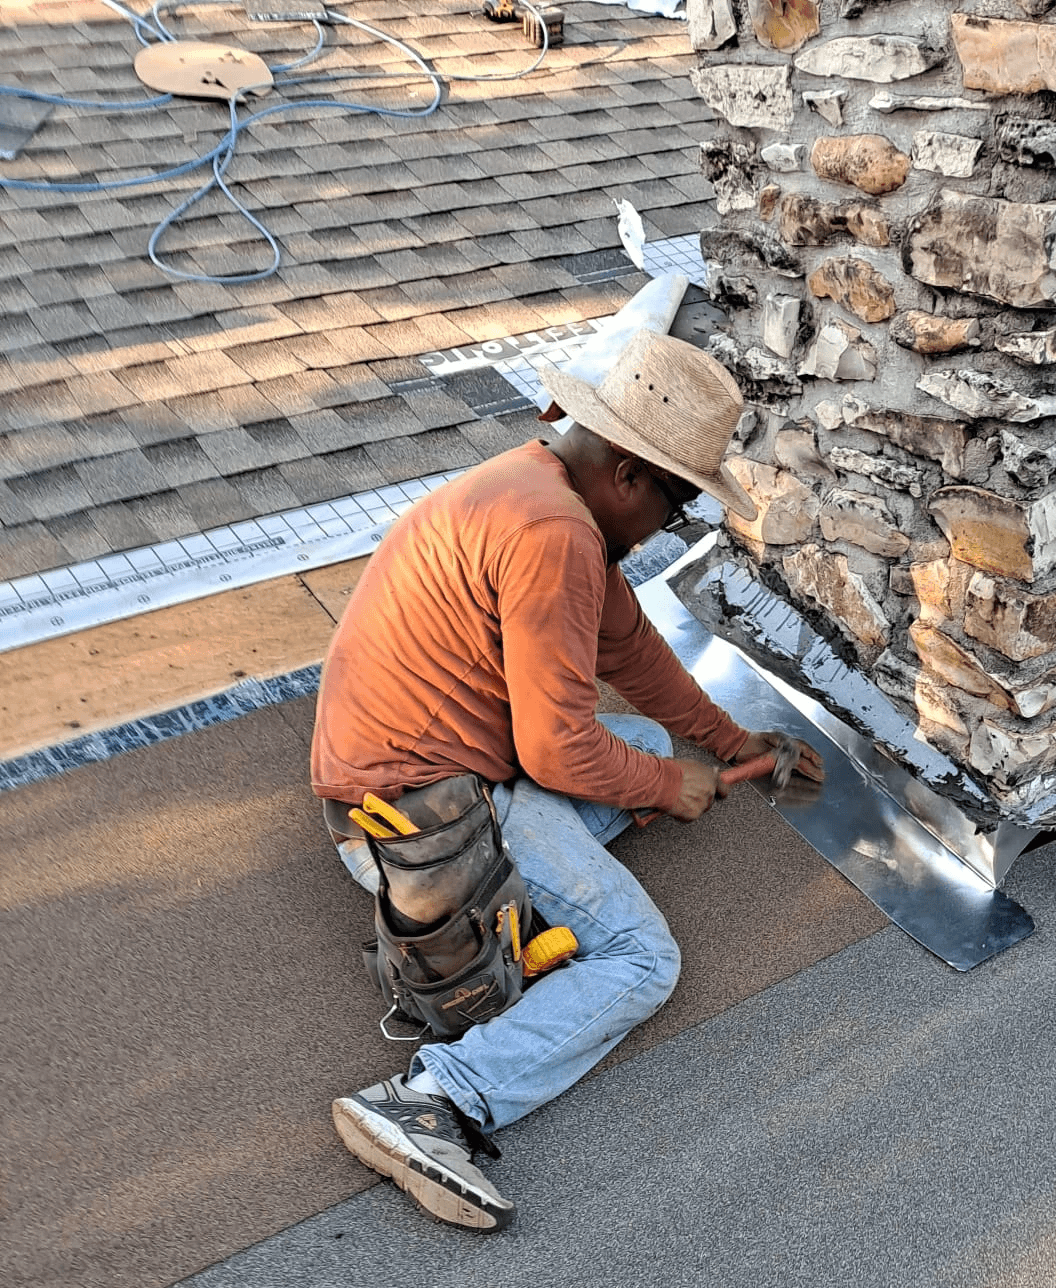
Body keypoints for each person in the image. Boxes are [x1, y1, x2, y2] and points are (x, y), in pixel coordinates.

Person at [310, 329, 824, 1230]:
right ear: (629, 473)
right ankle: (433, 1097)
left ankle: (510, 912)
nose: (669, 527)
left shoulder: (538, 483)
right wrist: (664, 786)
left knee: (624, 744)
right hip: (423, 819)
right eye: (675, 507)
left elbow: (628, 647)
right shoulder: (553, 533)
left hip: (413, 777)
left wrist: (729, 740)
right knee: (641, 960)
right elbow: (555, 755)